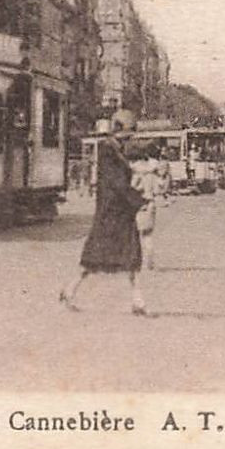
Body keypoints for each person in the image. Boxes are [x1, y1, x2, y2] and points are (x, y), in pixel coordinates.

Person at [60, 119, 148, 315]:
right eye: (128, 134)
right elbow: (117, 184)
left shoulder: (113, 150)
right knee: (120, 257)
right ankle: (136, 301)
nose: (130, 138)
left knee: (116, 258)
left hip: (117, 212)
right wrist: (139, 199)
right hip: (113, 213)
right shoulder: (109, 152)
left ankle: (137, 300)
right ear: (119, 133)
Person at [133, 156, 170, 270]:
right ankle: (149, 260)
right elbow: (159, 191)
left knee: (137, 234)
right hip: (151, 205)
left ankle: (137, 260)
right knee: (148, 235)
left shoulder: (137, 175)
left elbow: (134, 187)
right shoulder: (153, 176)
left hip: (139, 204)